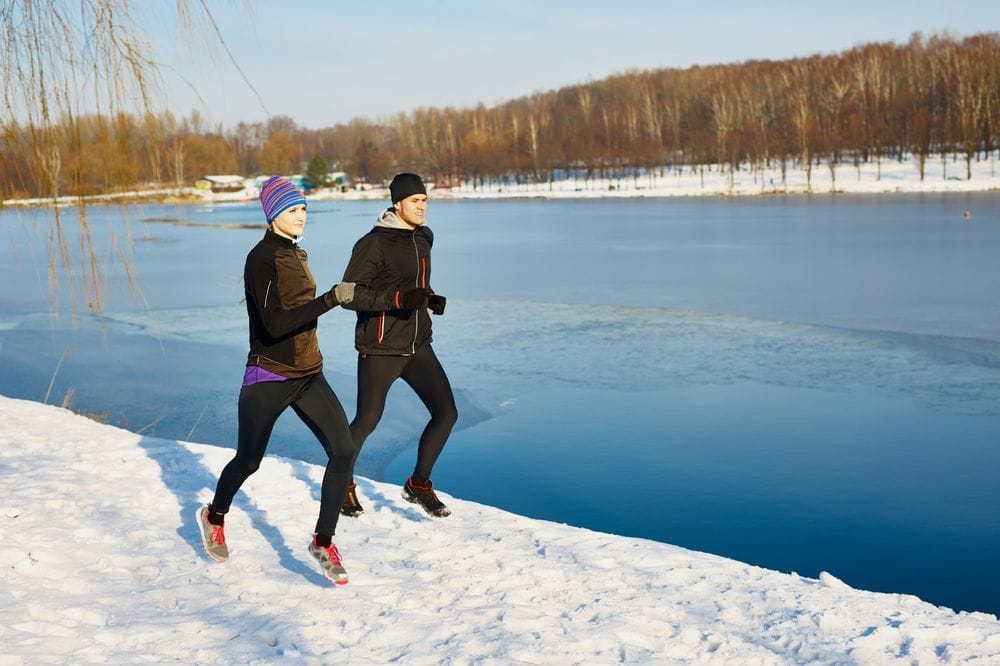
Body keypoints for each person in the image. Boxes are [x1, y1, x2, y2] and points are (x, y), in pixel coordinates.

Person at [197, 175, 359, 585]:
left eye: (303, 209)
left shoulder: (295, 253)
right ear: (272, 215)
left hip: (308, 373)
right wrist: (330, 300)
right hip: (269, 374)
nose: (301, 216)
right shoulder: (261, 259)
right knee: (249, 460)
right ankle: (214, 515)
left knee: (344, 450)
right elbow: (273, 325)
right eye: (292, 211)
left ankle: (323, 542)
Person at [339, 173, 457, 518]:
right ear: (397, 204)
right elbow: (351, 295)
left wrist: (428, 299)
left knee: (447, 414)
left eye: (424, 200)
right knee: (367, 421)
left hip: (418, 343)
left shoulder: (424, 238)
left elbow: (414, 283)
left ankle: (418, 484)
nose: (422, 207)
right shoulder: (373, 243)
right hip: (381, 346)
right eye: (414, 201)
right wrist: (400, 299)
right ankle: (341, 482)